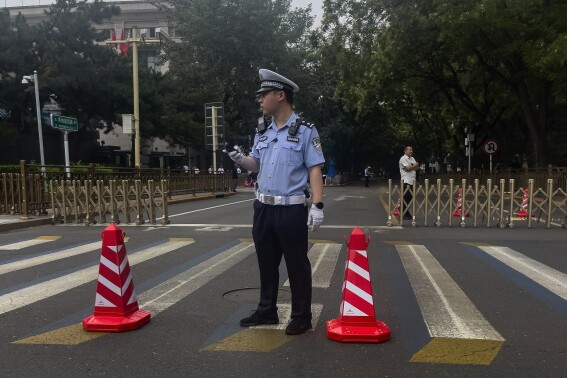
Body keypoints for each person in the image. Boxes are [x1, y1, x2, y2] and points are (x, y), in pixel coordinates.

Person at [225, 68, 325, 335]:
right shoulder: (262, 132)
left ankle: (302, 315)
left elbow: (315, 168)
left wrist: (317, 205)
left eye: (263, 94)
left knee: (296, 265)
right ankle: (267, 310)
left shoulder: (305, 131)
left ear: (280, 95)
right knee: (266, 263)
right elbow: (255, 165)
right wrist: (240, 160)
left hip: (291, 209)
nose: (260, 100)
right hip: (263, 207)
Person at [399, 146, 419, 220]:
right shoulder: (403, 159)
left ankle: (407, 212)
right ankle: (403, 213)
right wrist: (413, 166)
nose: (411, 151)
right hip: (406, 181)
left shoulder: (412, 158)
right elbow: (408, 168)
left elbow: (417, 167)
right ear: (405, 151)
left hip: (412, 181)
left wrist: (412, 166)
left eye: (412, 150)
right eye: (410, 150)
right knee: (405, 197)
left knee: (410, 198)